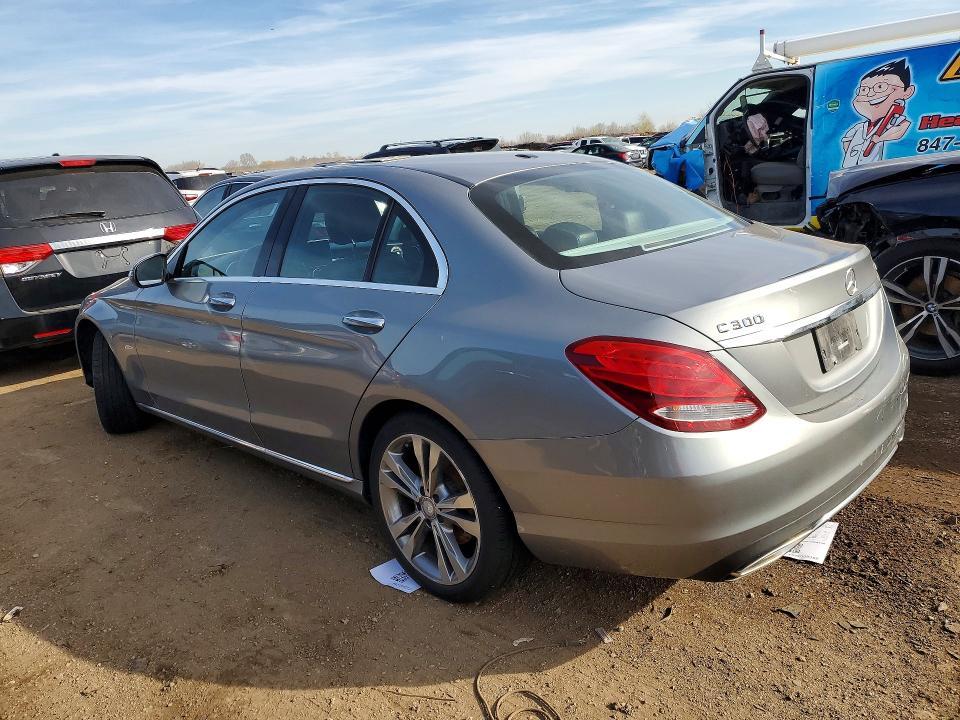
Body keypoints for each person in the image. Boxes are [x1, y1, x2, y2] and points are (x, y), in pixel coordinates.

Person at [841, 58, 916, 168]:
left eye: (880, 87)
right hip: (849, 168)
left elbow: (903, 127)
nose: (870, 95)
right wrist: (852, 153)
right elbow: (846, 140)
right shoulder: (859, 127)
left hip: (871, 171)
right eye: (864, 90)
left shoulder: (892, 120)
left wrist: (880, 138)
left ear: (907, 92)